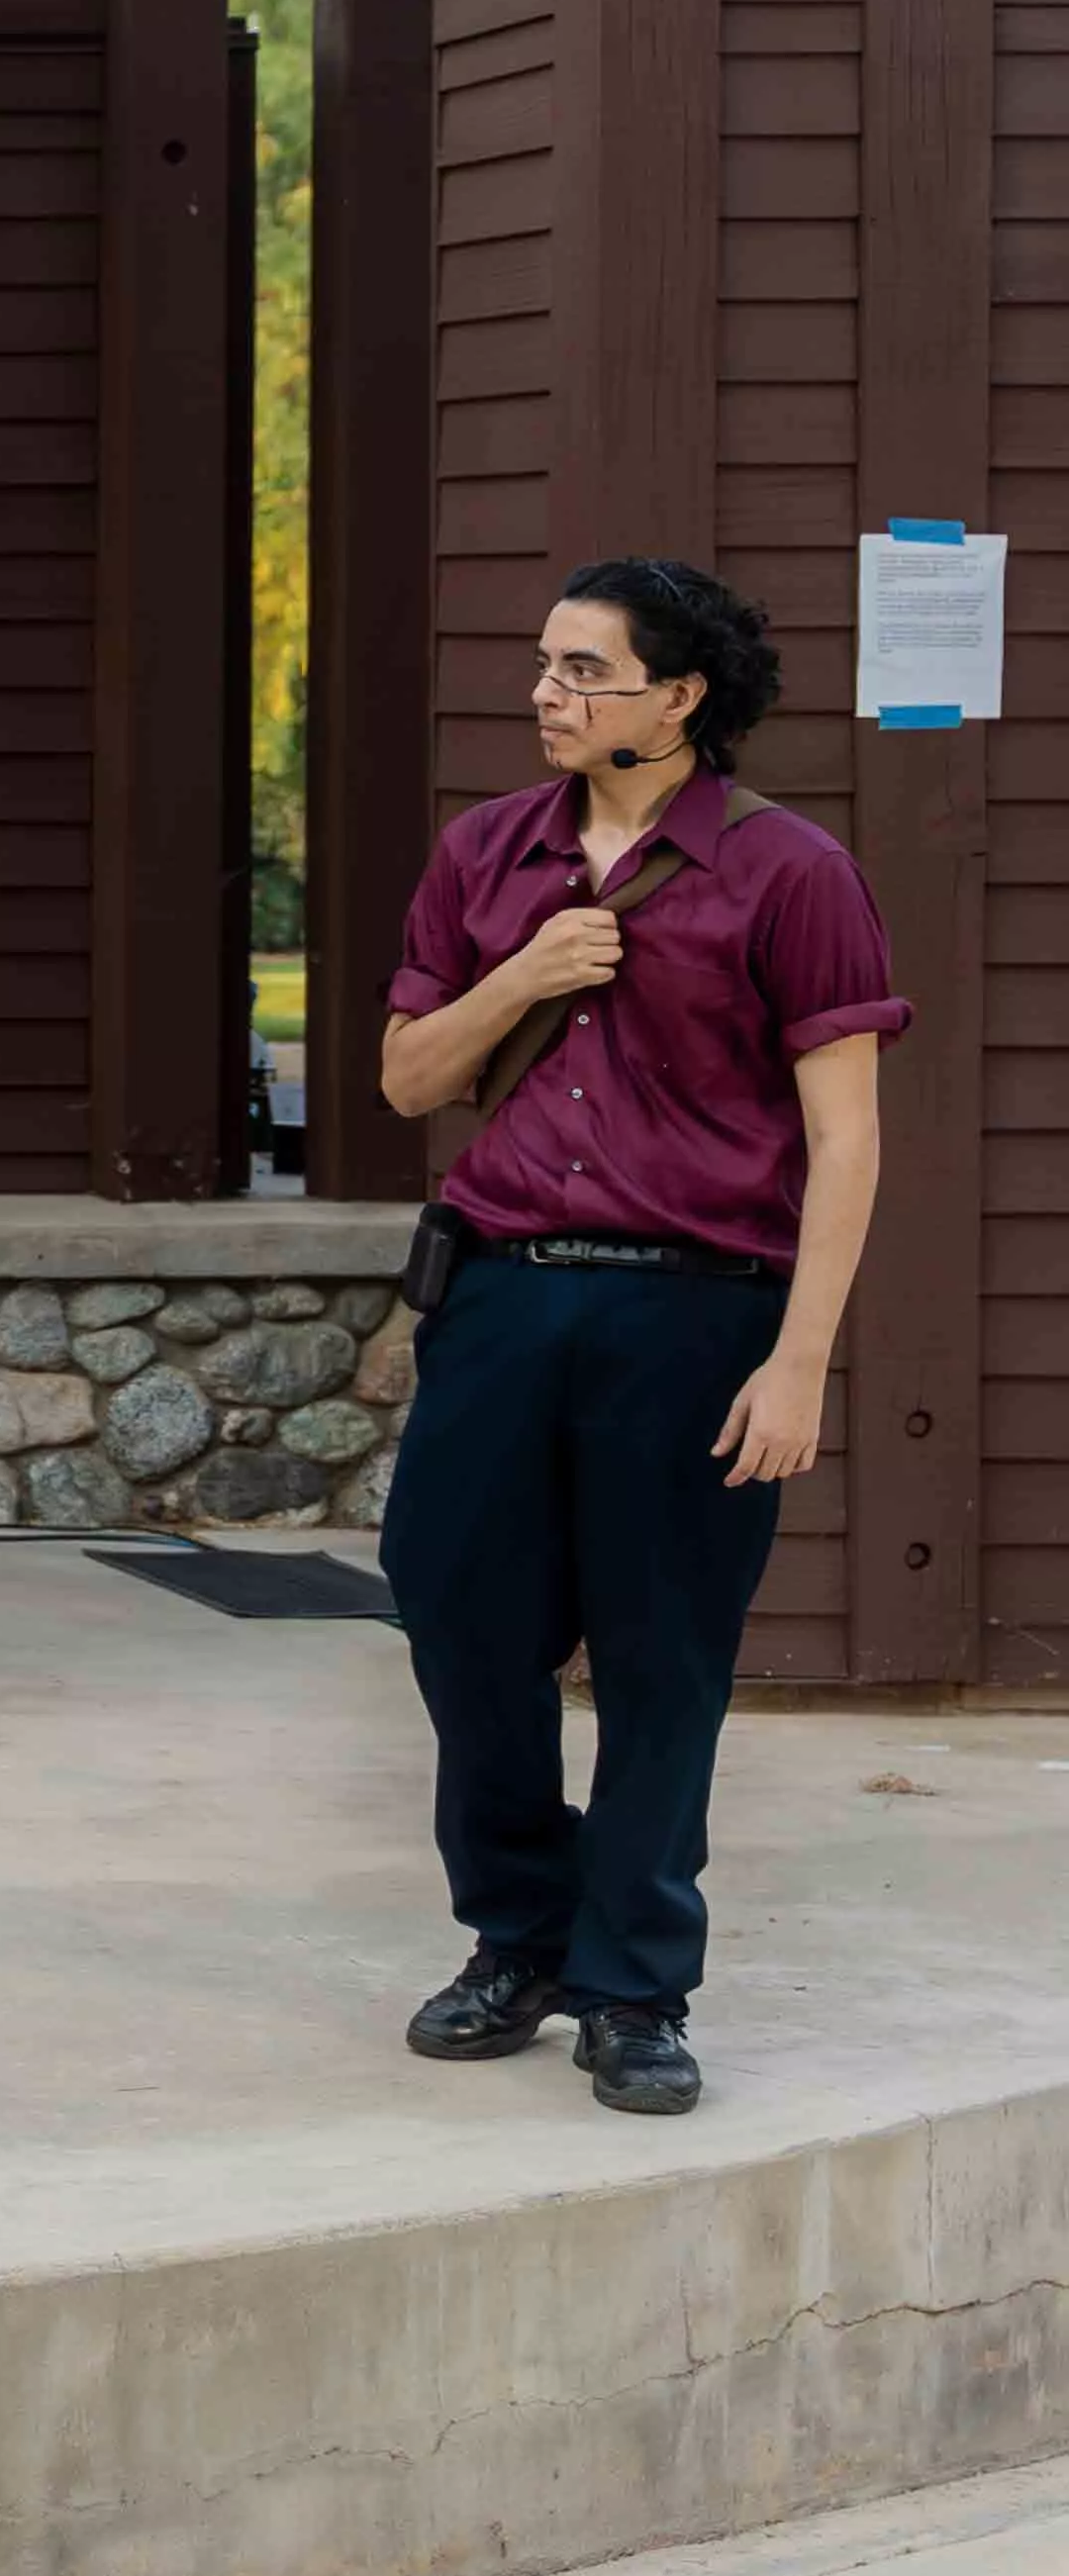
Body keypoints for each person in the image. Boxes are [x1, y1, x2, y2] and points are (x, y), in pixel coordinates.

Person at [369, 558, 898, 2122]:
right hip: (503, 1292)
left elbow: (848, 1140)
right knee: (452, 1608)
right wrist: (521, 974)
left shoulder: (789, 874)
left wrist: (799, 1356)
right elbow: (406, 1078)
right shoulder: (485, 854)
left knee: (663, 1659)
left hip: (696, 1309)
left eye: (583, 670)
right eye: (542, 665)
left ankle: (631, 1985)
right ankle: (515, 1939)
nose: (546, 692)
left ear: (676, 698)